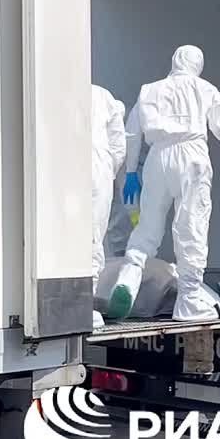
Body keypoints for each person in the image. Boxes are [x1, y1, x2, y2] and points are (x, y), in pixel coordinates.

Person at [106, 45, 220, 322]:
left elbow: (132, 133)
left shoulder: (149, 90)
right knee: (191, 226)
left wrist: (131, 173)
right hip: (192, 156)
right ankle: (188, 301)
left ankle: (129, 277)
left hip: (157, 158)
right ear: (198, 64)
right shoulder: (205, 89)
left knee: (147, 226)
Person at [91, 83, 127, 328]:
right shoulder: (103, 96)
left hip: (64, 166)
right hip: (97, 166)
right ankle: (86, 301)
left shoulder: (55, 90)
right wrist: (109, 172)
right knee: (93, 236)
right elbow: (118, 145)